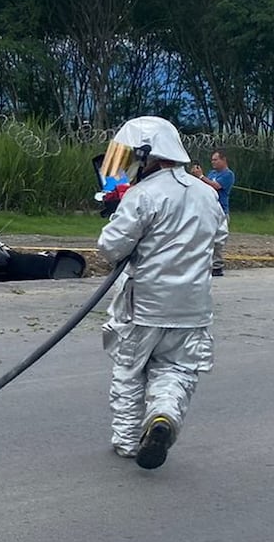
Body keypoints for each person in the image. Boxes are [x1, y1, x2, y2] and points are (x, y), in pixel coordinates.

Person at [96, 116, 228, 470]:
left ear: (147, 155)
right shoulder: (206, 194)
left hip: (145, 307)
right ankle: (163, 416)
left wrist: (115, 215)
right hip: (192, 308)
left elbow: (110, 248)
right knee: (177, 370)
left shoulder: (142, 195)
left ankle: (126, 441)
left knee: (129, 370)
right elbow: (219, 244)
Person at [191, 148, 235, 276]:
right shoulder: (211, 173)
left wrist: (201, 176)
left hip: (221, 211)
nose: (213, 162)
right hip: (208, 210)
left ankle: (217, 266)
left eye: (216, 160)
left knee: (218, 240)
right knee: (205, 238)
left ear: (223, 160)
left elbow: (215, 186)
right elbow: (204, 185)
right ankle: (206, 264)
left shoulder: (228, 174)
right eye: (212, 160)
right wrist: (197, 178)